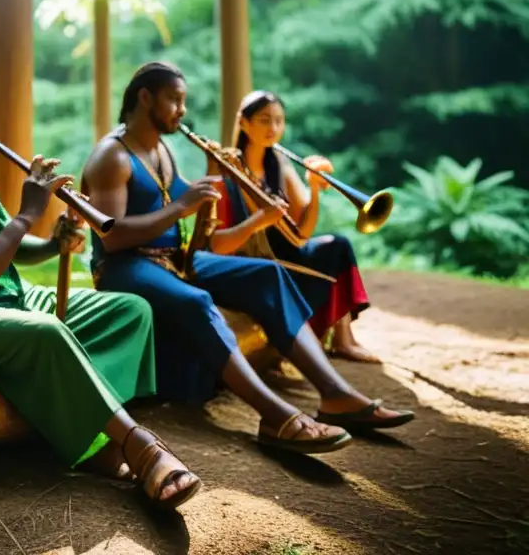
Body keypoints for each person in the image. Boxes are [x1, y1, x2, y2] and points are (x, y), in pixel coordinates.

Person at [0, 38, 201, 511]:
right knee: (46, 333)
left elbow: (0, 243)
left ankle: (82, 430)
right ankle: (135, 445)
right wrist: (27, 215)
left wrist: (49, 242)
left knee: (131, 312)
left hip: (10, 299)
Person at [80, 62, 414, 454]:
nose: (182, 110)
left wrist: (220, 182)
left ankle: (336, 395)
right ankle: (277, 417)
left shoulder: (160, 147)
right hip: (125, 266)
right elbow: (113, 236)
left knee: (269, 274)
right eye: (175, 100)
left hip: (175, 258)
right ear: (145, 97)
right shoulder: (112, 157)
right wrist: (183, 206)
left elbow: (176, 194)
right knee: (198, 301)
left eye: (184, 101)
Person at [211, 89, 377, 362]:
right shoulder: (228, 168)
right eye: (265, 120)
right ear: (244, 123)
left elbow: (304, 232)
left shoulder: (279, 162)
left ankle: (344, 340)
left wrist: (314, 188)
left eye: (279, 120)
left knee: (337, 245)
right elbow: (217, 240)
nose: (273, 128)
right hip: (258, 258)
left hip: (289, 253)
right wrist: (259, 219)